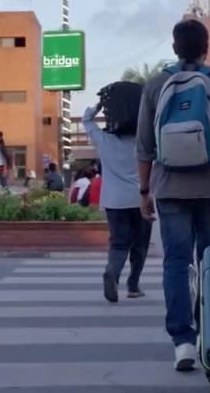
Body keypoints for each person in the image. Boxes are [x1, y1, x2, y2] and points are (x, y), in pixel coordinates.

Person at [136, 18, 210, 372]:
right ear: (206, 47)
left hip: (169, 189)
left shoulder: (156, 85)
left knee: (175, 262)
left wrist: (144, 191)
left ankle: (183, 342)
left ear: (174, 48)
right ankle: (209, 332)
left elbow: (144, 147)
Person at [83, 84, 151, 303]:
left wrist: (99, 105)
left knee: (118, 243)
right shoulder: (144, 140)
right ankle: (133, 286)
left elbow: (86, 119)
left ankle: (112, 273)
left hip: (114, 202)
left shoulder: (104, 140)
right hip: (141, 200)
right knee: (140, 244)